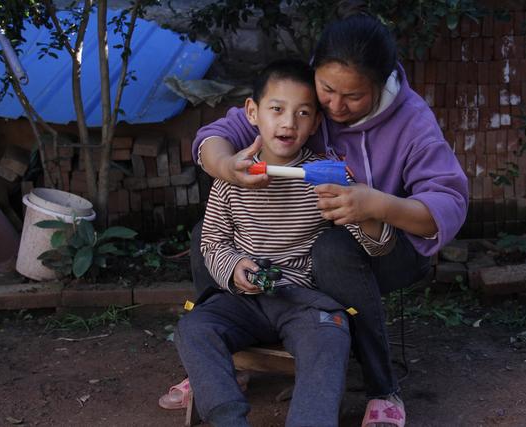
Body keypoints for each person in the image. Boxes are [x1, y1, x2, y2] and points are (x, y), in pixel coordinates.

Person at [187, 9, 469, 427]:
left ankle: (382, 387)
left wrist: (376, 205)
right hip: (287, 269)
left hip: (388, 243)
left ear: (381, 83)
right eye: (327, 91)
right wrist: (226, 168)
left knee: (332, 254)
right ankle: (220, 365)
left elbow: (447, 204)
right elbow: (219, 135)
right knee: (202, 245)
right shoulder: (297, 105)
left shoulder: (412, 121)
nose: (335, 106)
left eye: (353, 97)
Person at [174, 58, 396, 426]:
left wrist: (365, 209)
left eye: (303, 113)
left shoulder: (324, 176)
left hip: (302, 301)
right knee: (193, 327)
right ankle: (227, 418)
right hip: (243, 300)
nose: (288, 122)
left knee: (332, 333)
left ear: (315, 124)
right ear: (253, 112)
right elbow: (212, 241)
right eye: (277, 109)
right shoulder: (232, 174)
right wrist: (234, 267)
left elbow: (377, 246)